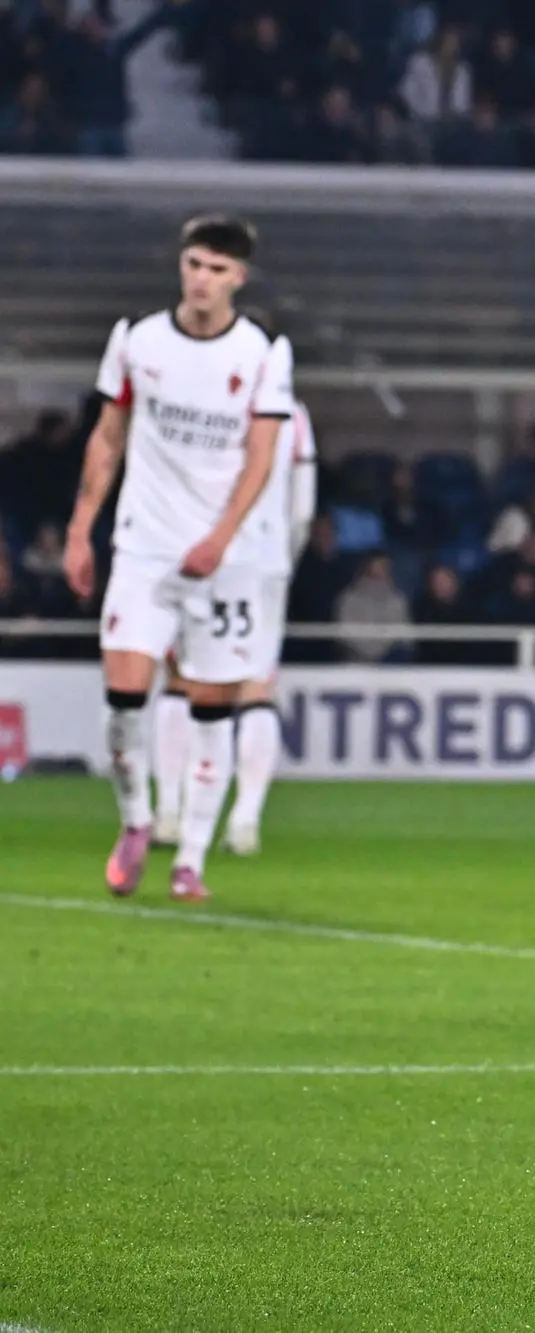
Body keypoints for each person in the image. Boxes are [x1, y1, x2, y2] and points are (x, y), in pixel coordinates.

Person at [62, 214, 294, 902]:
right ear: (181, 265)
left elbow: (261, 455)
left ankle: (190, 856)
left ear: (239, 279)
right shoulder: (137, 341)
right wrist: (80, 530)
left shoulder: (260, 353)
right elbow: (107, 438)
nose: (203, 279)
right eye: (195, 263)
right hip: (145, 544)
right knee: (124, 696)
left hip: (227, 556)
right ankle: (136, 820)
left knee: (210, 707)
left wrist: (220, 537)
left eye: (219, 270)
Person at [153, 400, 316, 856]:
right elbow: (302, 506)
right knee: (256, 684)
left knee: (184, 680)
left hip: (196, 552)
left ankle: (170, 812)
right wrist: (285, 556)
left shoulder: (191, 396)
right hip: (266, 560)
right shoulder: (292, 412)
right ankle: (245, 820)